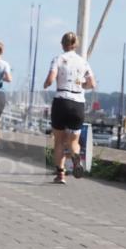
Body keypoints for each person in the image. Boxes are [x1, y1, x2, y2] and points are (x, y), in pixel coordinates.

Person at [43, 32, 95, 185]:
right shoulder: (83, 62)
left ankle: (60, 175)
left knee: (59, 141)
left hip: (61, 101)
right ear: (76, 45)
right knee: (73, 142)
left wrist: (46, 84)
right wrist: (82, 85)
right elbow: (92, 84)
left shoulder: (58, 59)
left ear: (62, 44)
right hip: (78, 103)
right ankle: (76, 158)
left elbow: (51, 79)